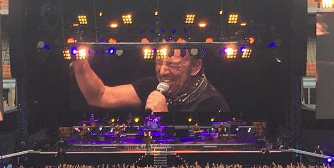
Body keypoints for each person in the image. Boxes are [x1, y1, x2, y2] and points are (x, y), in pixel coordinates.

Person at [71, 46, 229, 113]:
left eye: (173, 65)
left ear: (195, 67)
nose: (162, 71)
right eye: (159, 63)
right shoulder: (155, 86)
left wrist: (163, 116)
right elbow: (100, 96)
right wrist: (79, 60)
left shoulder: (212, 103)